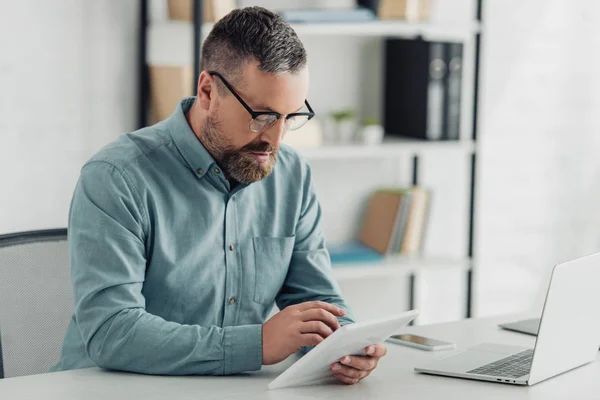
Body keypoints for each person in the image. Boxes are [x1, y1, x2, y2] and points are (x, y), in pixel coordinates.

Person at [52, 6, 386, 385]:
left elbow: (318, 299)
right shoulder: (118, 177)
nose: (275, 140)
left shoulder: (291, 174)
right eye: (262, 115)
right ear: (208, 91)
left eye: (290, 117)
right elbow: (111, 331)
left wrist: (345, 344)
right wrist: (255, 345)